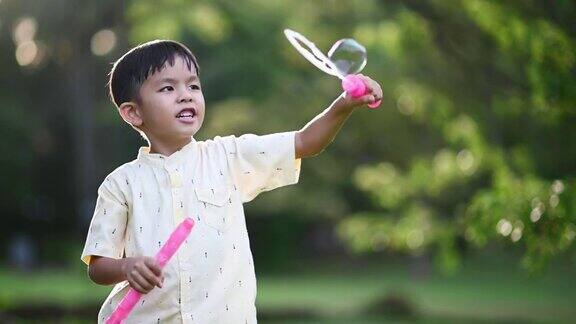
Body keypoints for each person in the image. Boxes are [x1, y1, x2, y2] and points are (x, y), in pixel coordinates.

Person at [81, 39, 382, 323]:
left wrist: (343, 105)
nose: (186, 94)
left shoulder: (227, 156)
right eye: (168, 88)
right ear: (133, 112)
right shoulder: (120, 184)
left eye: (193, 85)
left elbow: (304, 142)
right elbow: (98, 266)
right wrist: (126, 266)